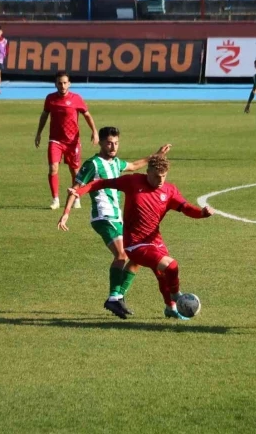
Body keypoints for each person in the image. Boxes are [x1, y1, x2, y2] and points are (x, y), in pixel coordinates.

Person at [69, 155, 214, 320]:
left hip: (155, 240)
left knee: (162, 275)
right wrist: (79, 192)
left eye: (164, 176)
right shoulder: (133, 182)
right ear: (148, 172)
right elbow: (101, 183)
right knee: (171, 265)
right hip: (135, 244)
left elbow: (186, 208)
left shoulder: (169, 190)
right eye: (156, 176)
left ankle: (170, 308)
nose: (160, 180)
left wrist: (202, 213)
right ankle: (176, 295)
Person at [58, 126, 171, 319]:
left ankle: (118, 297)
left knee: (136, 257)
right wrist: (66, 213)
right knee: (121, 254)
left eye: (116, 143)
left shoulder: (117, 163)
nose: (113, 146)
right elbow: (76, 187)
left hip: (118, 217)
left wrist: (156, 155)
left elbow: (135, 166)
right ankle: (113, 298)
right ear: (100, 142)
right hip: (103, 216)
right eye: (109, 143)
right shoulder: (92, 164)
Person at [35, 71, 98, 210]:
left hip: (72, 142)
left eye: (65, 83)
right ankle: (55, 199)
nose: (62, 86)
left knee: (75, 172)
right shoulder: (50, 99)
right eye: (59, 83)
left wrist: (94, 131)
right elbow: (44, 115)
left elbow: (87, 115)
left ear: (69, 83)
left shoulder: (76, 99)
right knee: (53, 168)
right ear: (55, 84)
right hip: (55, 141)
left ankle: (75, 197)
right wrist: (39, 133)